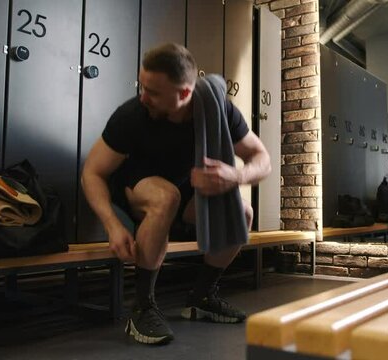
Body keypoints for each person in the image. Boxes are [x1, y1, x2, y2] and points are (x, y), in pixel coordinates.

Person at [81, 43, 271, 345]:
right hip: (137, 190)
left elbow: (262, 159)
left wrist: (235, 175)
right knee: (165, 196)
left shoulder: (216, 109)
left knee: (242, 213)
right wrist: (112, 225)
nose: (143, 97)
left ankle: (202, 297)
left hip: (185, 193)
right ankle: (142, 307)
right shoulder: (133, 114)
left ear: (184, 94)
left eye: (153, 92)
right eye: (142, 86)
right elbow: (93, 172)